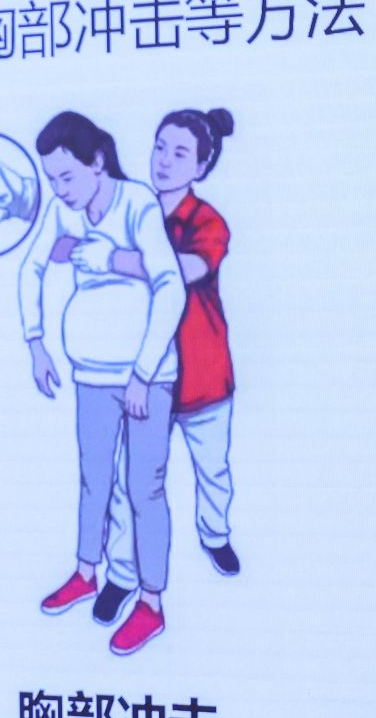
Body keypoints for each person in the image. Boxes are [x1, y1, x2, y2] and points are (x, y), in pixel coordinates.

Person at [19, 111, 186, 657]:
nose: (59, 190)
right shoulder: (62, 210)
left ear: (97, 162)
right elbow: (31, 268)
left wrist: (143, 373)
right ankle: (87, 572)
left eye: (66, 177)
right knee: (94, 481)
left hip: (146, 378)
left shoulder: (137, 204)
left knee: (145, 489)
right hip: (91, 374)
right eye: (51, 179)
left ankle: (152, 602)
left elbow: (171, 287)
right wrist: (36, 341)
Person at [97, 107, 240, 618]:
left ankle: (215, 534)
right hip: (146, 377)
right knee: (129, 486)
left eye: (180, 154)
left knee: (213, 470)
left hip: (202, 378)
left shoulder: (207, 222)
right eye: (160, 147)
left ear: (201, 166)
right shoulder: (133, 208)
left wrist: (116, 260)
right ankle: (121, 575)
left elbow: (184, 271)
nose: (163, 160)